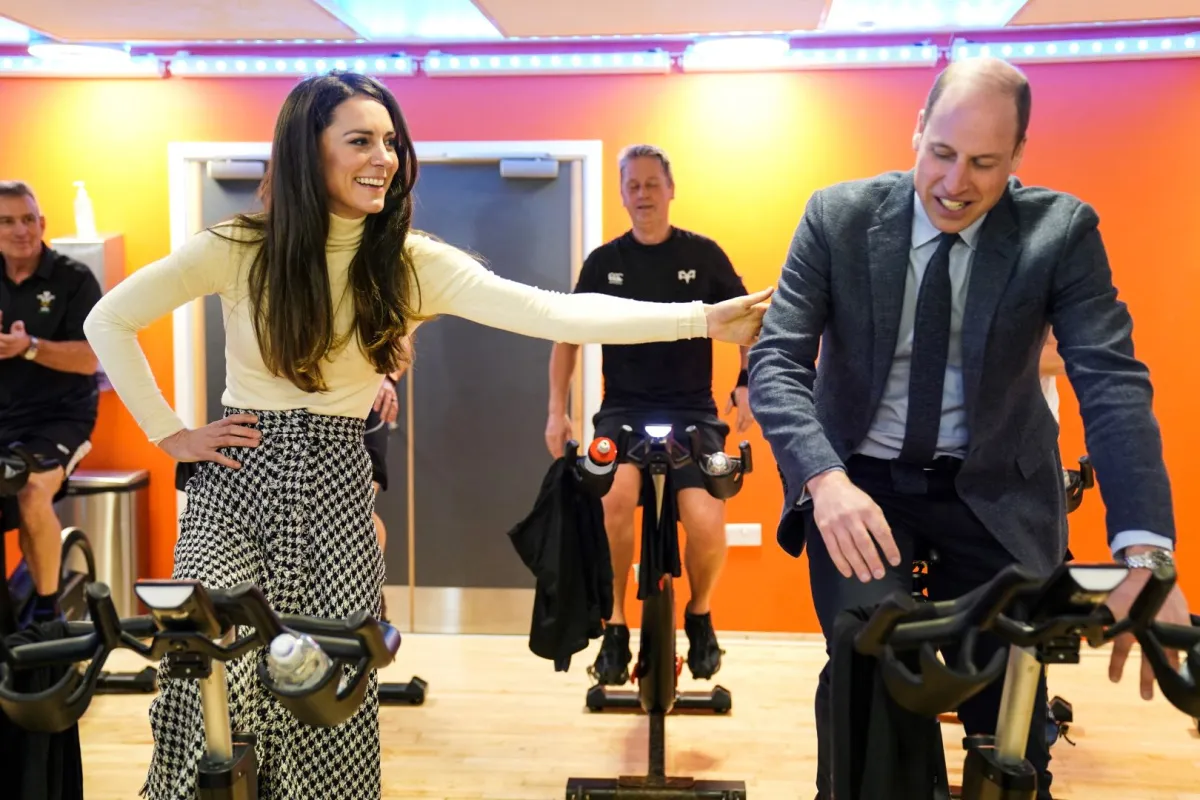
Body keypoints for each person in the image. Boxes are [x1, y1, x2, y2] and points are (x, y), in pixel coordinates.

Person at [82, 70, 770, 800]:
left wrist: (701, 319)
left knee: (328, 696)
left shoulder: (409, 262)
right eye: (360, 140)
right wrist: (170, 434)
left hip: (335, 483)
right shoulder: (237, 246)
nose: (382, 157)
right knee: (208, 683)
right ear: (309, 149)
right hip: (238, 482)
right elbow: (109, 320)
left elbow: (554, 312)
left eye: (390, 142)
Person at [746, 57, 1190, 800]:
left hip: (995, 489)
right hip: (862, 484)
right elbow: (777, 361)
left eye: (984, 163)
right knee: (871, 665)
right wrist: (824, 479)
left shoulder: (1060, 231)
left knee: (1009, 687)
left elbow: (1111, 382)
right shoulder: (837, 217)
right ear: (917, 131)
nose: (956, 183)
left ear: (1018, 154)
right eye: (943, 153)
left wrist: (1145, 553)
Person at [544, 144, 754, 684]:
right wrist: (556, 411)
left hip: (693, 412)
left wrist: (746, 384)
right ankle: (616, 625)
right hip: (623, 410)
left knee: (704, 517)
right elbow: (567, 336)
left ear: (670, 189)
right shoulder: (604, 263)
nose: (643, 194)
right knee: (613, 501)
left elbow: (748, 320)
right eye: (633, 185)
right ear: (622, 194)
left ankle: (700, 615)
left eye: (651, 184)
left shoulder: (703, 255)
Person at [0, 180, 102, 628]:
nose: (20, 230)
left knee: (31, 490)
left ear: (42, 223)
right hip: (4, 416)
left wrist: (29, 347)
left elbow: (91, 358)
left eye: (28, 219)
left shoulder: (73, 280)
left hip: (59, 418)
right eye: (7, 221)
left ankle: (46, 611)